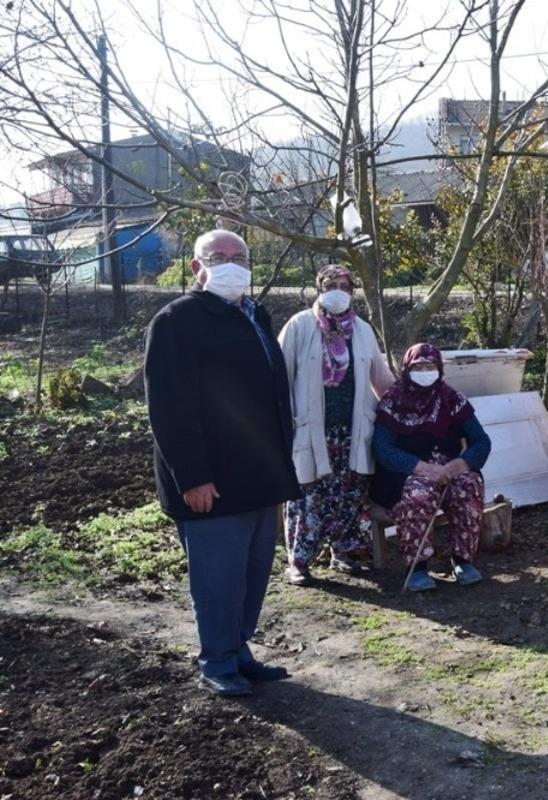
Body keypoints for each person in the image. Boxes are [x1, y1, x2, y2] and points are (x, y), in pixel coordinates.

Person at [144, 229, 301, 697]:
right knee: (218, 578)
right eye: (218, 256)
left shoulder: (254, 315)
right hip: (211, 482)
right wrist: (193, 476)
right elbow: (168, 409)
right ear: (197, 267)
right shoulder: (176, 321)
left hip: (259, 475)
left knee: (252, 575)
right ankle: (217, 660)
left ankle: (239, 649)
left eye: (239, 257)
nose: (231, 264)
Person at [277, 265, 396, 585]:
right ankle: (299, 562)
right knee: (307, 497)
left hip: (353, 429)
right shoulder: (299, 326)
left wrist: (409, 402)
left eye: (345, 285)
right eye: (332, 284)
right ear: (319, 288)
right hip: (311, 429)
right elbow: (279, 378)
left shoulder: (362, 330)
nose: (339, 290)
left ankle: (342, 551)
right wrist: (280, 425)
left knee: (349, 494)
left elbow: (381, 378)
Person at [370, 344, 492, 592]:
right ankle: (417, 567)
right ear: (407, 369)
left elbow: (481, 440)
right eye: (418, 367)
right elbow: (382, 449)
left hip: (449, 469)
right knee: (420, 492)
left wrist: (460, 464)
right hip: (406, 473)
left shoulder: (452, 399)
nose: (425, 371)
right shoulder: (393, 401)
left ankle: (462, 560)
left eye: (430, 366)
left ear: (439, 369)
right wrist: (421, 468)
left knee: (470, 484)